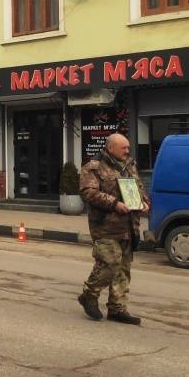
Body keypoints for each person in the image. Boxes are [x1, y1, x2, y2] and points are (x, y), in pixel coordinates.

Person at [77, 133, 148, 325]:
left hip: (129, 225)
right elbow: (88, 193)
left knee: (123, 269)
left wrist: (144, 202)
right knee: (109, 264)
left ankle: (117, 308)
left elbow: (139, 187)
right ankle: (89, 295)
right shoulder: (93, 167)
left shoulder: (129, 165)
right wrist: (114, 204)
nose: (127, 151)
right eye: (123, 148)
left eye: (128, 147)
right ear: (110, 148)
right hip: (106, 226)